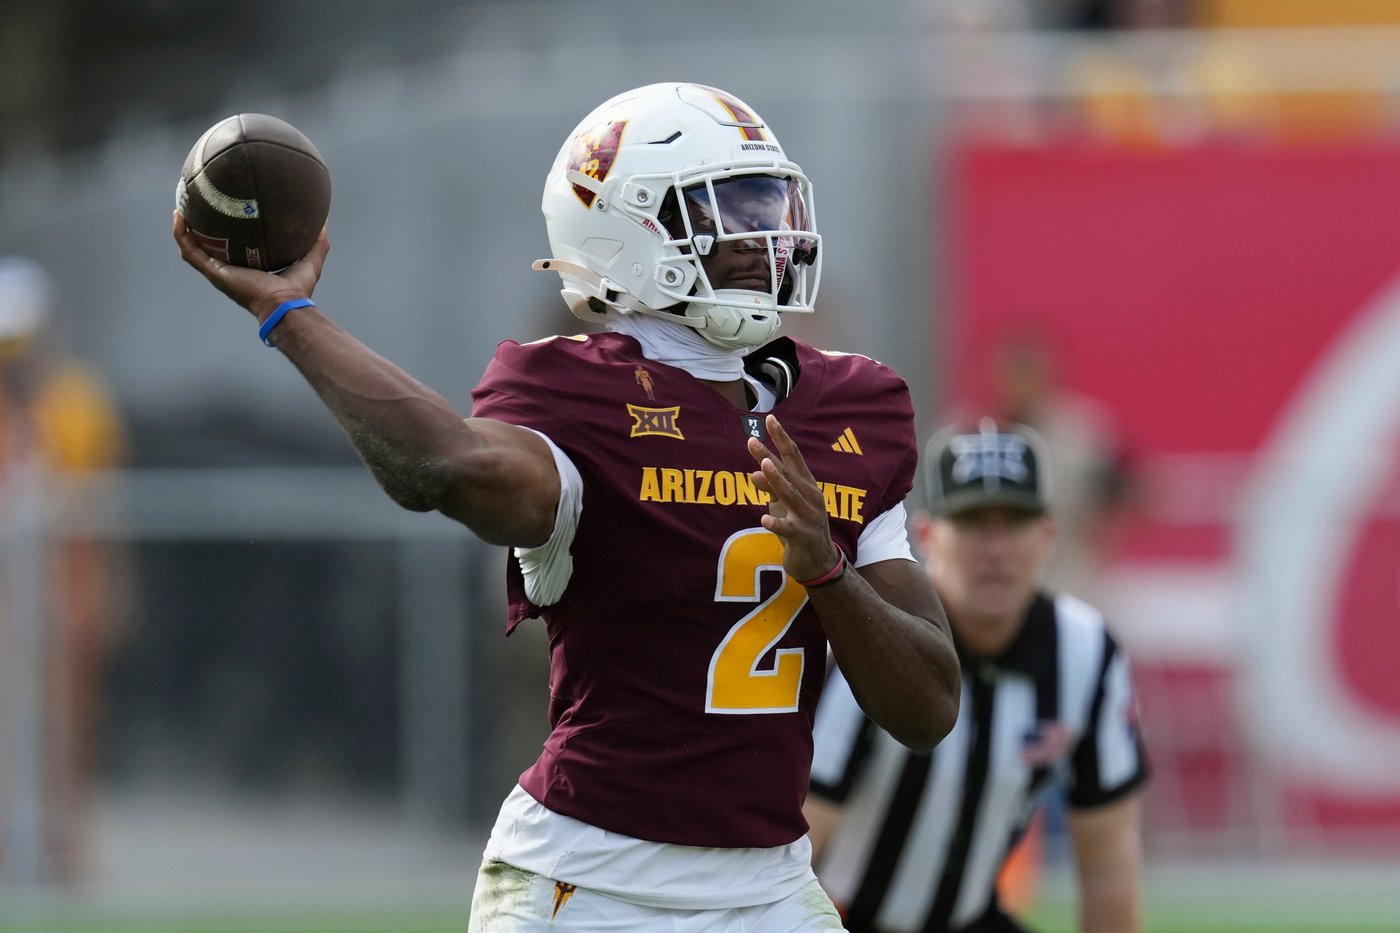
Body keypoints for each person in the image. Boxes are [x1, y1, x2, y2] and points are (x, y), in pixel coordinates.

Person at [173, 82, 961, 931]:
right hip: (588, 886)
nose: (765, 234)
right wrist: (290, 314)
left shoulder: (854, 407)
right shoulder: (577, 392)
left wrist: (828, 573)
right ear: (627, 227)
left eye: (770, 203)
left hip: (770, 888)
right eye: (729, 209)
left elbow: (928, 707)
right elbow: (444, 467)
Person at [805, 419, 1148, 933]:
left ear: (1047, 534)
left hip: (971, 918)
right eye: (971, 522)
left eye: (1014, 521)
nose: (995, 548)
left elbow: (1108, 869)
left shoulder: (1086, 654)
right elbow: (802, 842)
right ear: (928, 536)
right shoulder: (877, 644)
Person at [0, 256, 129, 884]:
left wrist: (107, 591)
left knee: (69, 724)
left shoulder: (79, 402)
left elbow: (99, 511)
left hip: (63, 588)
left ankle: (62, 843)